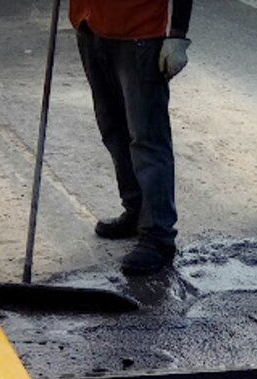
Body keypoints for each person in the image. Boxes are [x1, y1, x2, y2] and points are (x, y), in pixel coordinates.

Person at [72, 0, 194, 276]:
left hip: (138, 34)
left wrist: (177, 34)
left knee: (147, 138)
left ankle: (158, 236)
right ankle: (137, 210)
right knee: (113, 129)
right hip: (91, 27)